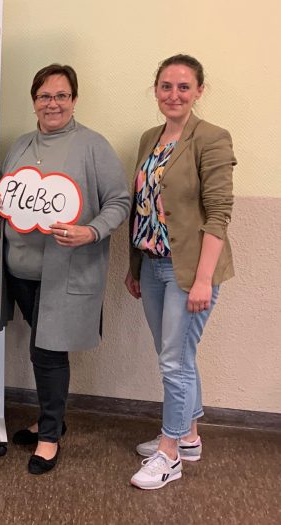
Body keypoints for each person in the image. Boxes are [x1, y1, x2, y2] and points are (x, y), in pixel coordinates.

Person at [0, 64, 129, 474]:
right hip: (21, 274)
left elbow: (119, 201)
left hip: (63, 275)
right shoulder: (21, 146)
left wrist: (91, 231)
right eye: (45, 96)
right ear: (34, 102)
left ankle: (49, 436)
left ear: (74, 100)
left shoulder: (92, 146)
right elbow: (8, 197)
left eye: (61, 95)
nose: (53, 104)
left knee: (48, 353)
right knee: (41, 349)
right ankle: (53, 417)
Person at [126, 55, 236, 490]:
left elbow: (220, 213)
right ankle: (188, 435)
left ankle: (169, 453)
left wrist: (204, 279)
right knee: (176, 356)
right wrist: (135, 266)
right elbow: (143, 208)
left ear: (199, 92)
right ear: (155, 90)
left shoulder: (212, 138)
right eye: (166, 86)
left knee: (174, 360)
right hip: (152, 265)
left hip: (189, 269)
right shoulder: (149, 138)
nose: (174, 95)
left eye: (184, 87)